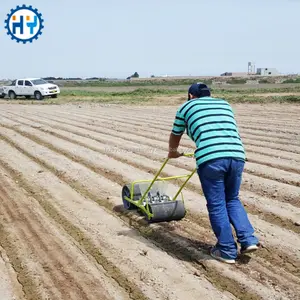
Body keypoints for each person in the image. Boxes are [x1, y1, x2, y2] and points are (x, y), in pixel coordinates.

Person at [168, 82, 259, 264]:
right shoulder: (224, 104)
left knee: (217, 204)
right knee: (232, 199)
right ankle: (248, 239)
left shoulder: (186, 107)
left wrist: (173, 151)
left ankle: (226, 250)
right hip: (237, 155)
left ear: (191, 95)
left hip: (211, 159)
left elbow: (176, 133)